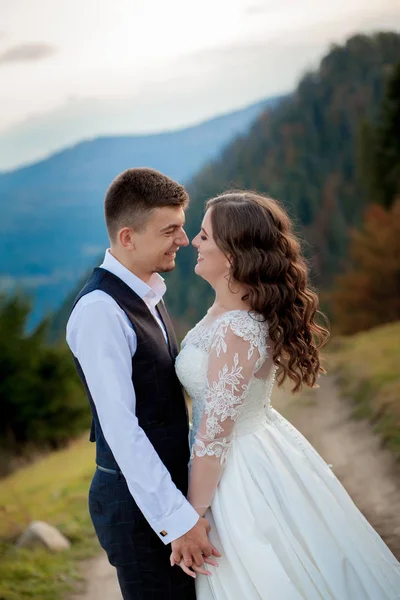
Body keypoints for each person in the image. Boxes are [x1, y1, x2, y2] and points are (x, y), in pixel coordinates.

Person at [172, 191, 400, 599]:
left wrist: (192, 517)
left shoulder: (236, 328)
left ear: (234, 251)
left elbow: (215, 434)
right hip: (248, 449)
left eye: (205, 236)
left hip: (237, 469)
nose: (194, 242)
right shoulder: (224, 313)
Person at [66, 168, 220, 600]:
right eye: (170, 229)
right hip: (136, 510)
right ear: (129, 237)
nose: (184, 240)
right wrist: (177, 518)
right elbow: (121, 429)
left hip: (164, 493)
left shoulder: (147, 291)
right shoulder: (100, 311)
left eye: (184, 227)